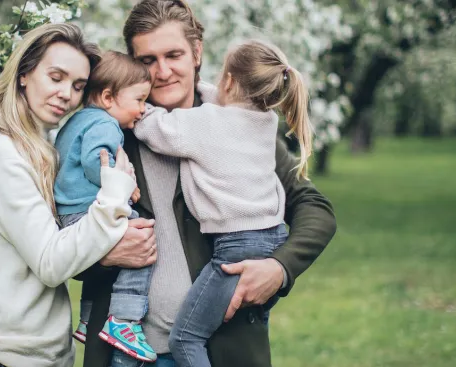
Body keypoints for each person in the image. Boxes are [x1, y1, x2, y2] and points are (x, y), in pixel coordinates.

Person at [79, 1, 338, 366]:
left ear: (196, 52)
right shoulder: (109, 133)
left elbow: (315, 208)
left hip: (222, 351)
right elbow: (60, 238)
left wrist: (279, 269)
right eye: (148, 60)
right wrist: (104, 256)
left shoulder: (239, 123)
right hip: (128, 354)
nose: (163, 71)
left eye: (173, 54)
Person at [0, 23, 157, 367]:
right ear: (24, 74)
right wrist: (115, 193)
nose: (67, 94)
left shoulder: (41, 146)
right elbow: (50, 263)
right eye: (56, 77)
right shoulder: (1, 154)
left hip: (42, 355)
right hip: (5, 356)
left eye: (78, 86)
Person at [132, 39, 315, 367]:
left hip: (235, 250)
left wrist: (127, 101)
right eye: (148, 59)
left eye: (174, 54)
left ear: (228, 82)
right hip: (272, 238)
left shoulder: (206, 123)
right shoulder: (264, 120)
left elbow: (154, 127)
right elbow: (234, 104)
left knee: (186, 338)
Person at [53, 51, 159, 362]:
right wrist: (123, 183)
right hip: (86, 211)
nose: (142, 110)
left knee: (105, 260)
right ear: (109, 97)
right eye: (139, 100)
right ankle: (124, 321)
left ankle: (88, 319)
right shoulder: (106, 124)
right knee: (141, 240)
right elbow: (95, 163)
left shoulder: (79, 120)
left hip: (70, 213)